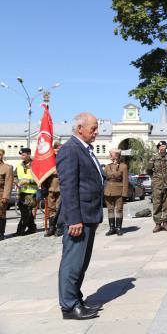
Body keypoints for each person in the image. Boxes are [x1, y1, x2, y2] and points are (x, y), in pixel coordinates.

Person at [57, 112, 104, 320]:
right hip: (79, 218)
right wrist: (74, 219)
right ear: (79, 129)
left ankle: (76, 298)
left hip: (89, 215)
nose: (96, 132)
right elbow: (68, 188)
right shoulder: (70, 150)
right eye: (93, 128)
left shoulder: (85, 149)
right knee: (72, 263)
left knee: (81, 264)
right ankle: (68, 306)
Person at [147, 140, 167, 233]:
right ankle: (157, 224)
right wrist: (155, 178)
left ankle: (165, 223)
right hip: (157, 185)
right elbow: (148, 169)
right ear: (158, 148)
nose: (162, 148)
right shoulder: (154, 158)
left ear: (166, 147)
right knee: (157, 204)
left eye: (164, 146)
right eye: (161, 147)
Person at [103, 149, 128, 236]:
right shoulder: (107, 166)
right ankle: (111, 228)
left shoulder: (123, 166)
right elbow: (103, 179)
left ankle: (118, 228)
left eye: (111, 154)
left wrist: (124, 193)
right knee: (110, 209)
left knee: (119, 209)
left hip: (119, 190)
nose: (109, 155)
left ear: (116, 155)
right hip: (108, 190)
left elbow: (125, 181)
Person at [14, 147, 38, 236]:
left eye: (23, 155)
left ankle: (20, 230)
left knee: (26, 211)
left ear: (28, 154)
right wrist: (17, 182)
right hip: (21, 192)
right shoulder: (19, 165)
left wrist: (29, 181)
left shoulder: (35, 165)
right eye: (21, 155)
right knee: (24, 210)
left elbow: (40, 178)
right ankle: (32, 227)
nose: (22, 157)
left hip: (32, 192)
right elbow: (15, 175)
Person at [42, 142, 62, 237]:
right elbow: (44, 174)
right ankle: (51, 227)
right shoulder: (49, 160)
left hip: (61, 188)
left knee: (59, 208)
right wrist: (43, 187)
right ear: (53, 150)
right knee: (51, 209)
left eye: (60, 149)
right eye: (57, 149)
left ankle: (59, 227)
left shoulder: (64, 159)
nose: (58, 150)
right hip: (50, 187)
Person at [0, 149, 13, 241]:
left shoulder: (7, 168)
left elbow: (8, 183)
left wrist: (5, 196)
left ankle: (1, 233)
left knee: (1, 214)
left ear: (2, 156)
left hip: (1, 194)